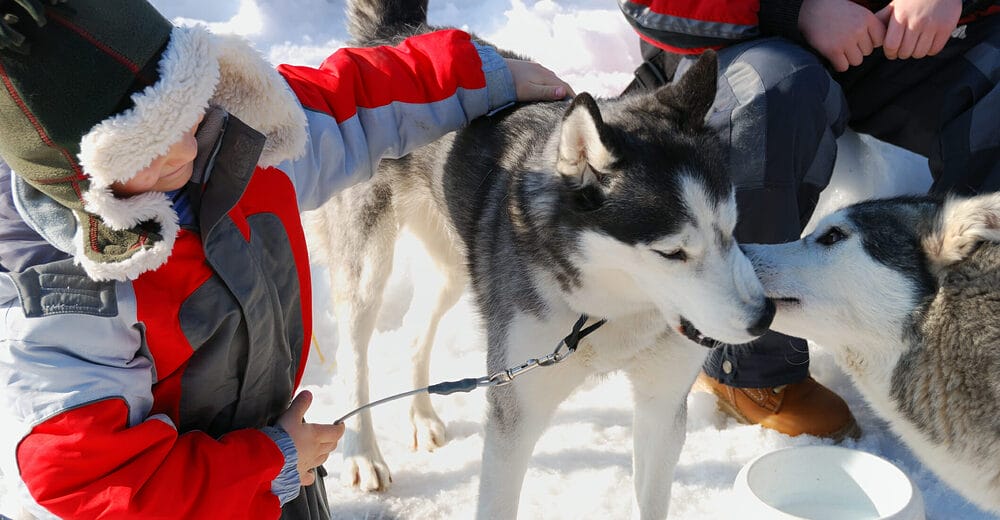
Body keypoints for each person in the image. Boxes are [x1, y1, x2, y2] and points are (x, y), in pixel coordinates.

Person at [0, 0, 572, 518]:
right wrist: (266, 464)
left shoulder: (235, 136)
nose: (183, 147)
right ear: (74, 177)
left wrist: (479, 76)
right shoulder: (68, 302)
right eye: (142, 146)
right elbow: (94, 481)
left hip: (277, 468)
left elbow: (352, 101)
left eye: (184, 105)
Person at [618, 0, 1000, 439]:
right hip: (747, 44)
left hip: (906, 39)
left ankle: (968, 342)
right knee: (774, 90)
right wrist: (795, 11)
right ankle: (747, 366)